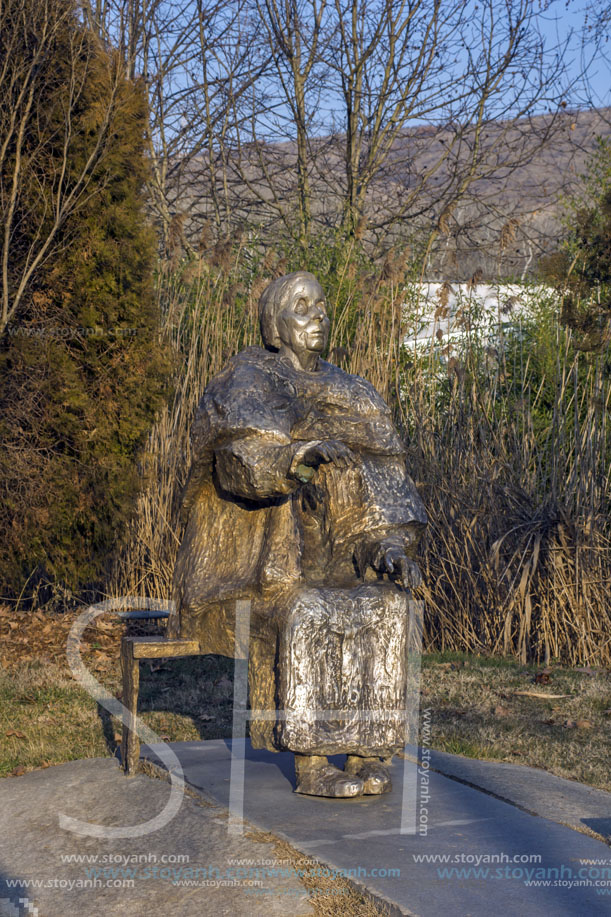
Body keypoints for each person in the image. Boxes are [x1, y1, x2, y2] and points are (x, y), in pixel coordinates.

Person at [168, 271, 427, 797]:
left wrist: (389, 545)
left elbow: (380, 485)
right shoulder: (246, 381)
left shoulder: (352, 393)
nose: (318, 315)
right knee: (308, 610)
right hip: (260, 570)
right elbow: (240, 462)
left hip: (338, 563)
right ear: (275, 324)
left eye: (322, 305)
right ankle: (311, 764)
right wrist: (297, 456)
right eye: (302, 306)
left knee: (388, 606)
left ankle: (366, 752)